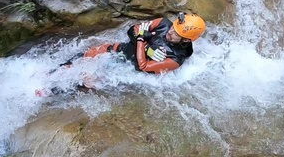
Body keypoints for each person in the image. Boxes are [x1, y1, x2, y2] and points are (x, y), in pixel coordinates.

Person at [35, 13, 206, 97]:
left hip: (124, 72)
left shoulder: (176, 59)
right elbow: (133, 29)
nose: (170, 32)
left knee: (86, 82)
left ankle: (49, 92)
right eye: (173, 28)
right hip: (119, 50)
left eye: (176, 34)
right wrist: (144, 45)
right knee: (84, 57)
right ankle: (48, 75)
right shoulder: (163, 23)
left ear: (186, 40)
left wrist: (141, 40)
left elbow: (142, 67)